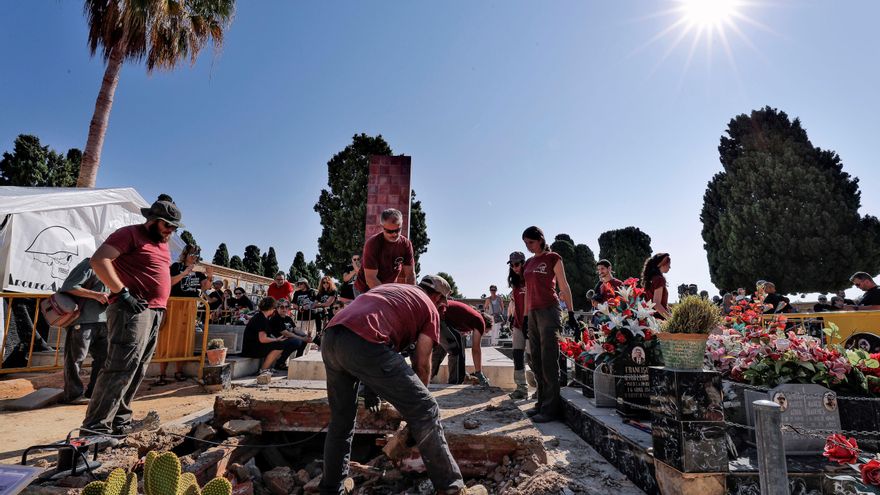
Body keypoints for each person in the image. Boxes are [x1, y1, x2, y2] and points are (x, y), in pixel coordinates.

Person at [320, 275, 473, 495]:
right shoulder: (430, 307)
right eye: (443, 303)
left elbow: (374, 329)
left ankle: (331, 488)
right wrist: (417, 407)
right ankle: (451, 487)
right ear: (439, 298)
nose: (443, 308)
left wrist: (372, 390)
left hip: (331, 336)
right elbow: (422, 363)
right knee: (427, 408)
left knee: (341, 421)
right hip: (365, 342)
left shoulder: (394, 290)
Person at [81, 197, 180, 440]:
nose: (171, 231)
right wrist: (122, 293)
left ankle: (119, 421)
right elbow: (99, 260)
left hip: (154, 310)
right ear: (153, 221)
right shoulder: (130, 234)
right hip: (132, 309)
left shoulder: (162, 244)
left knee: (138, 368)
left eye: (174, 227)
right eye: (167, 225)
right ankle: (96, 428)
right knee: (120, 367)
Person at [521, 226, 576, 423]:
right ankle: (541, 403)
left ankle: (551, 409)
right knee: (535, 359)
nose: (528, 246)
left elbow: (564, 285)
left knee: (549, 359)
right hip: (533, 312)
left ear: (541, 240)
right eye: (525, 243)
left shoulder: (553, 257)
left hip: (549, 310)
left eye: (531, 242)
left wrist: (571, 313)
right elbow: (527, 291)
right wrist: (525, 316)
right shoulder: (529, 263)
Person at [59, 257, 109, 404]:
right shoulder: (90, 264)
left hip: (104, 321)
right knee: (75, 359)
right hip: (82, 320)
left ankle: (94, 392)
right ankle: (73, 395)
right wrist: (96, 295)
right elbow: (69, 286)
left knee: (104, 359)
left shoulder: (116, 268)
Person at [354, 208, 415, 295]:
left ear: (401, 225)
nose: (394, 234)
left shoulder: (406, 244)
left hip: (387, 288)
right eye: (389, 231)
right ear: (382, 227)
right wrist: (387, 296)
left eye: (397, 230)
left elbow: (410, 275)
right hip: (364, 289)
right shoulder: (373, 244)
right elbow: (371, 278)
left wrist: (411, 296)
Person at [433, 299, 488, 386]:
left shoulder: (468, 318)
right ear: (486, 325)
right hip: (441, 314)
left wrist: (463, 372)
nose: (484, 333)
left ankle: (423, 378)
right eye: (486, 331)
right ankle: (455, 384)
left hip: (435, 312)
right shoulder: (480, 321)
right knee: (457, 350)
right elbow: (476, 349)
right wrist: (479, 373)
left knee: (440, 350)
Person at [241, 297, 296, 379]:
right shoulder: (261, 319)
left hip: (253, 346)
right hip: (251, 349)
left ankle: (268, 368)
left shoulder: (261, 316)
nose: (274, 310)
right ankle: (263, 370)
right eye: (274, 308)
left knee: (278, 344)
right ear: (271, 308)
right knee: (279, 346)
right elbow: (263, 339)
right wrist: (276, 339)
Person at [506, 251, 529, 399]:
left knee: (532, 357)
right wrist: (511, 318)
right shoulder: (515, 283)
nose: (514, 267)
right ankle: (521, 388)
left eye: (517, 264)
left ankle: (540, 388)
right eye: (512, 265)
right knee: (517, 355)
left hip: (531, 323)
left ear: (523, 263)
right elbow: (515, 303)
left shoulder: (530, 279)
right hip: (518, 323)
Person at [270, 299, 312, 364]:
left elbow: (295, 329)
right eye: (282, 307)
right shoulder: (276, 318)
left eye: (286, 307)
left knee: (303, 339)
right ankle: (280, 362)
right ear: (277, 308)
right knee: (296, 341)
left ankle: (297, 361)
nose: (284, 309)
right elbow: (286, 333)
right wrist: (302, 338)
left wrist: (306, 336)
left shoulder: (288, 318)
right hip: (278, 340)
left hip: (287, 339)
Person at [640, 253, 671, 319]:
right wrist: (670, 319)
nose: (669, 267)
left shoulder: (651, 279)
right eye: (668, 264)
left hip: (649, 318)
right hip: (658, 319)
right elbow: (656, 304)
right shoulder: (659, 279)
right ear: (662, 264)